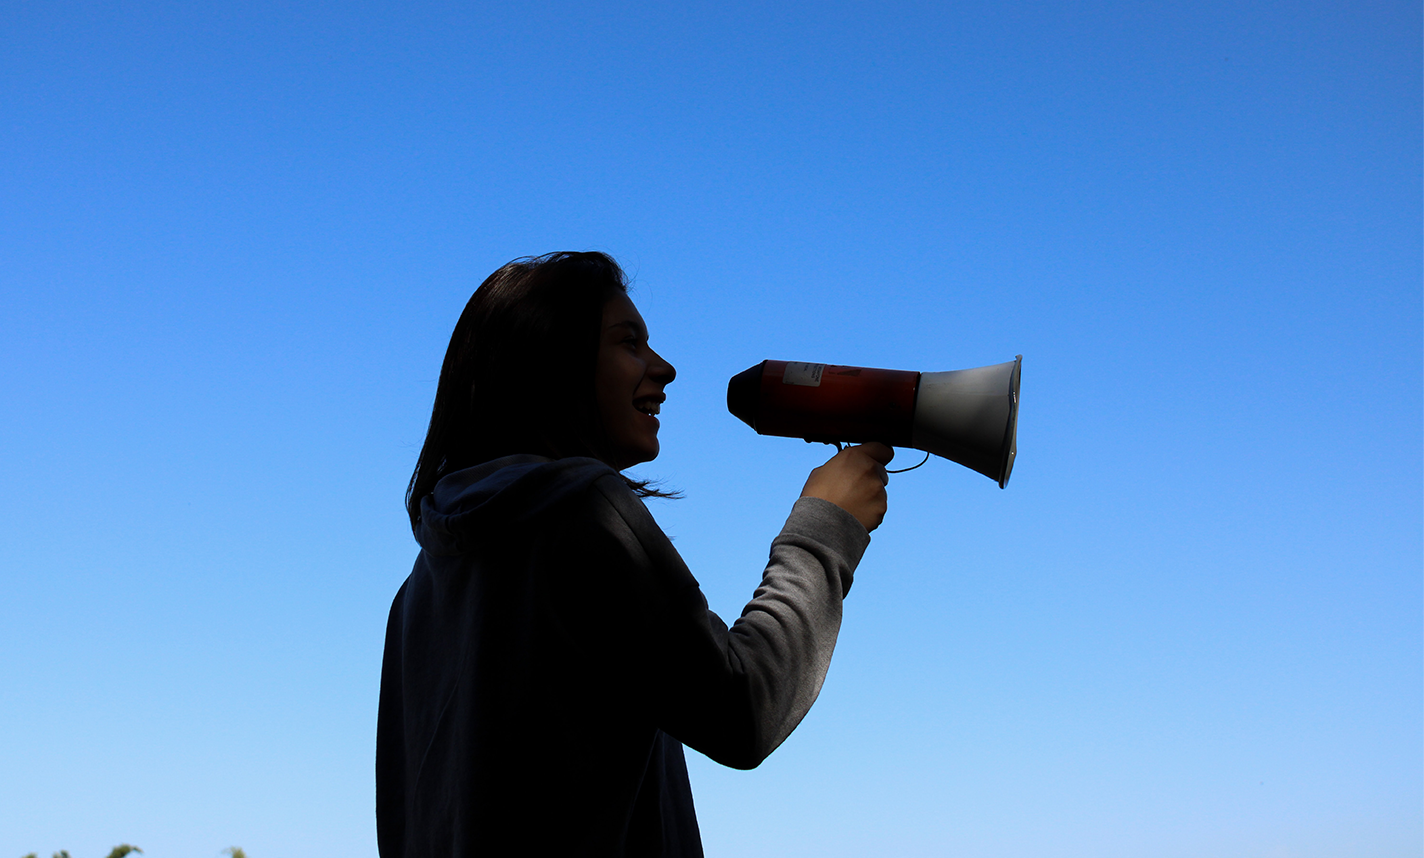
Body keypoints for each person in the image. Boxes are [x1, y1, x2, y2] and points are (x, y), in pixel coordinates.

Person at [376, 251, 893, 857]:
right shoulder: (582, 509)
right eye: (629, 342)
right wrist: (825, 528)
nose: (665, 368)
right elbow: (745, 706)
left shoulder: (415, 597)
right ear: (551, 361)